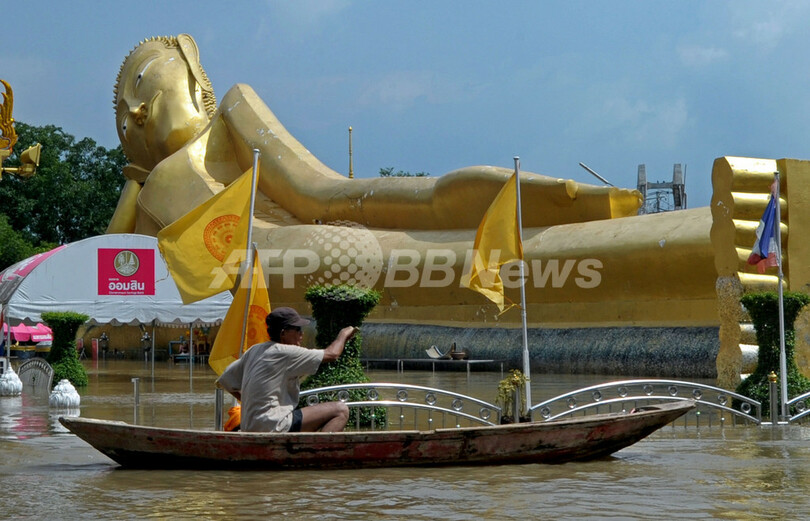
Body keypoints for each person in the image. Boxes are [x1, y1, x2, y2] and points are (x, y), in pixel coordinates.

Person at [216, 307, 357, 433]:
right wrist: (343, 335)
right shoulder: (285, 352)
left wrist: (248, 401)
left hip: (249, 425)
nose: (301, 334)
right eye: (297, 330)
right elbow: (332, 354)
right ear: (283, 333)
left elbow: (226, 379)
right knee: (341, 410)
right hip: (273, 425)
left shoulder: (255, 350)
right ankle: (319, 451)